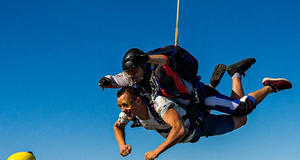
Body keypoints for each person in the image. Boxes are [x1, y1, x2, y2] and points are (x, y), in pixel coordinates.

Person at [113, 74, 290, 160]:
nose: (123, 110)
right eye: (120, 106)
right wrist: (122, 146)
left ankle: (269, 87)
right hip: (194, 126)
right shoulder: (129, 112)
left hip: (201, 125)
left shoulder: (159, 104)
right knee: (239, 115)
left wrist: (156, 152)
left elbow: (179, 129)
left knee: (242, 117)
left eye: (126, 104)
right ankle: (236, 74)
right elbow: (118, 127)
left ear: (138, 100)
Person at [99, 47, 278, 117]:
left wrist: (148, 58)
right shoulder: (134, 77)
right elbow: (117, 79)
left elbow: (167, 62)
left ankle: (270, 86)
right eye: (129, 72)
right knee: (208, 115)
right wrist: (106, 81)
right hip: (187, 104)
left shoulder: (161, 72)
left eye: (134, 71)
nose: (132, 76)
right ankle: (233, 74)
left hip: (200, 97)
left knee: (241, 109)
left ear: (143, 66)